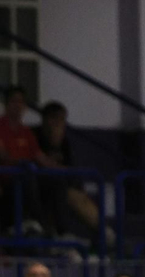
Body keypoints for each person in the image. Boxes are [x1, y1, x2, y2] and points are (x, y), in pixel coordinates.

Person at [0, 86, 48, 233]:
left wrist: (64, 170)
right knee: (27, 179)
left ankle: (55, 232)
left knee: (55, 182)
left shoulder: (27, 132)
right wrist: (22, 163)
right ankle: (37, 224)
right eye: (14, 101)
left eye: (21, 102)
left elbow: (41, 158)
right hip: (3, 179)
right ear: (6, 104)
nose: (17, 105)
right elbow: (1, 155)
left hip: (25, 178)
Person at [36, 101, 99, 237]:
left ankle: (105, 234)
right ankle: (62, 233)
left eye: (63, 119)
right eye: (56, 119)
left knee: (79, 195)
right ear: (47, 119)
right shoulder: (35, 136)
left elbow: (70, 169)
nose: (60, 123)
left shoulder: (64, 142)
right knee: (62, 190)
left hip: (63, 186)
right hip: (41, 186)